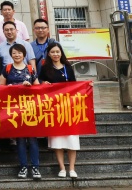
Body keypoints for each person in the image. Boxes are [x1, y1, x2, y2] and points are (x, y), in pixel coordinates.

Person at [0, 44, 40, 180]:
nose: (17, 55)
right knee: (20, 139)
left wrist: (30, 87)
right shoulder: (7, 68)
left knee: (32, 139)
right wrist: (9, 87)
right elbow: (0, 87)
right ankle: (23, 166)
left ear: (24, 54)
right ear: (11, 55)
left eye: (19, 53)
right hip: (14, 109)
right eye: (14, 53)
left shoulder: (30, 69)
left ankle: (35, 167)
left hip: (30, 108)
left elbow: (38, 88)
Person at [39, 42, 79, 179]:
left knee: (72, 139)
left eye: (57, 51)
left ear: (61, 53)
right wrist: (43, 83)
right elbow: (40, 83)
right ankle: (62, 168)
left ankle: (72, 168)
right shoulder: (45, 68)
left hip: (69, 107)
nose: (55, 54)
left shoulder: (68, 67)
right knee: (57, 140)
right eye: (53, 52)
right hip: (54, 108)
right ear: (49, 54)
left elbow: (75, 85)